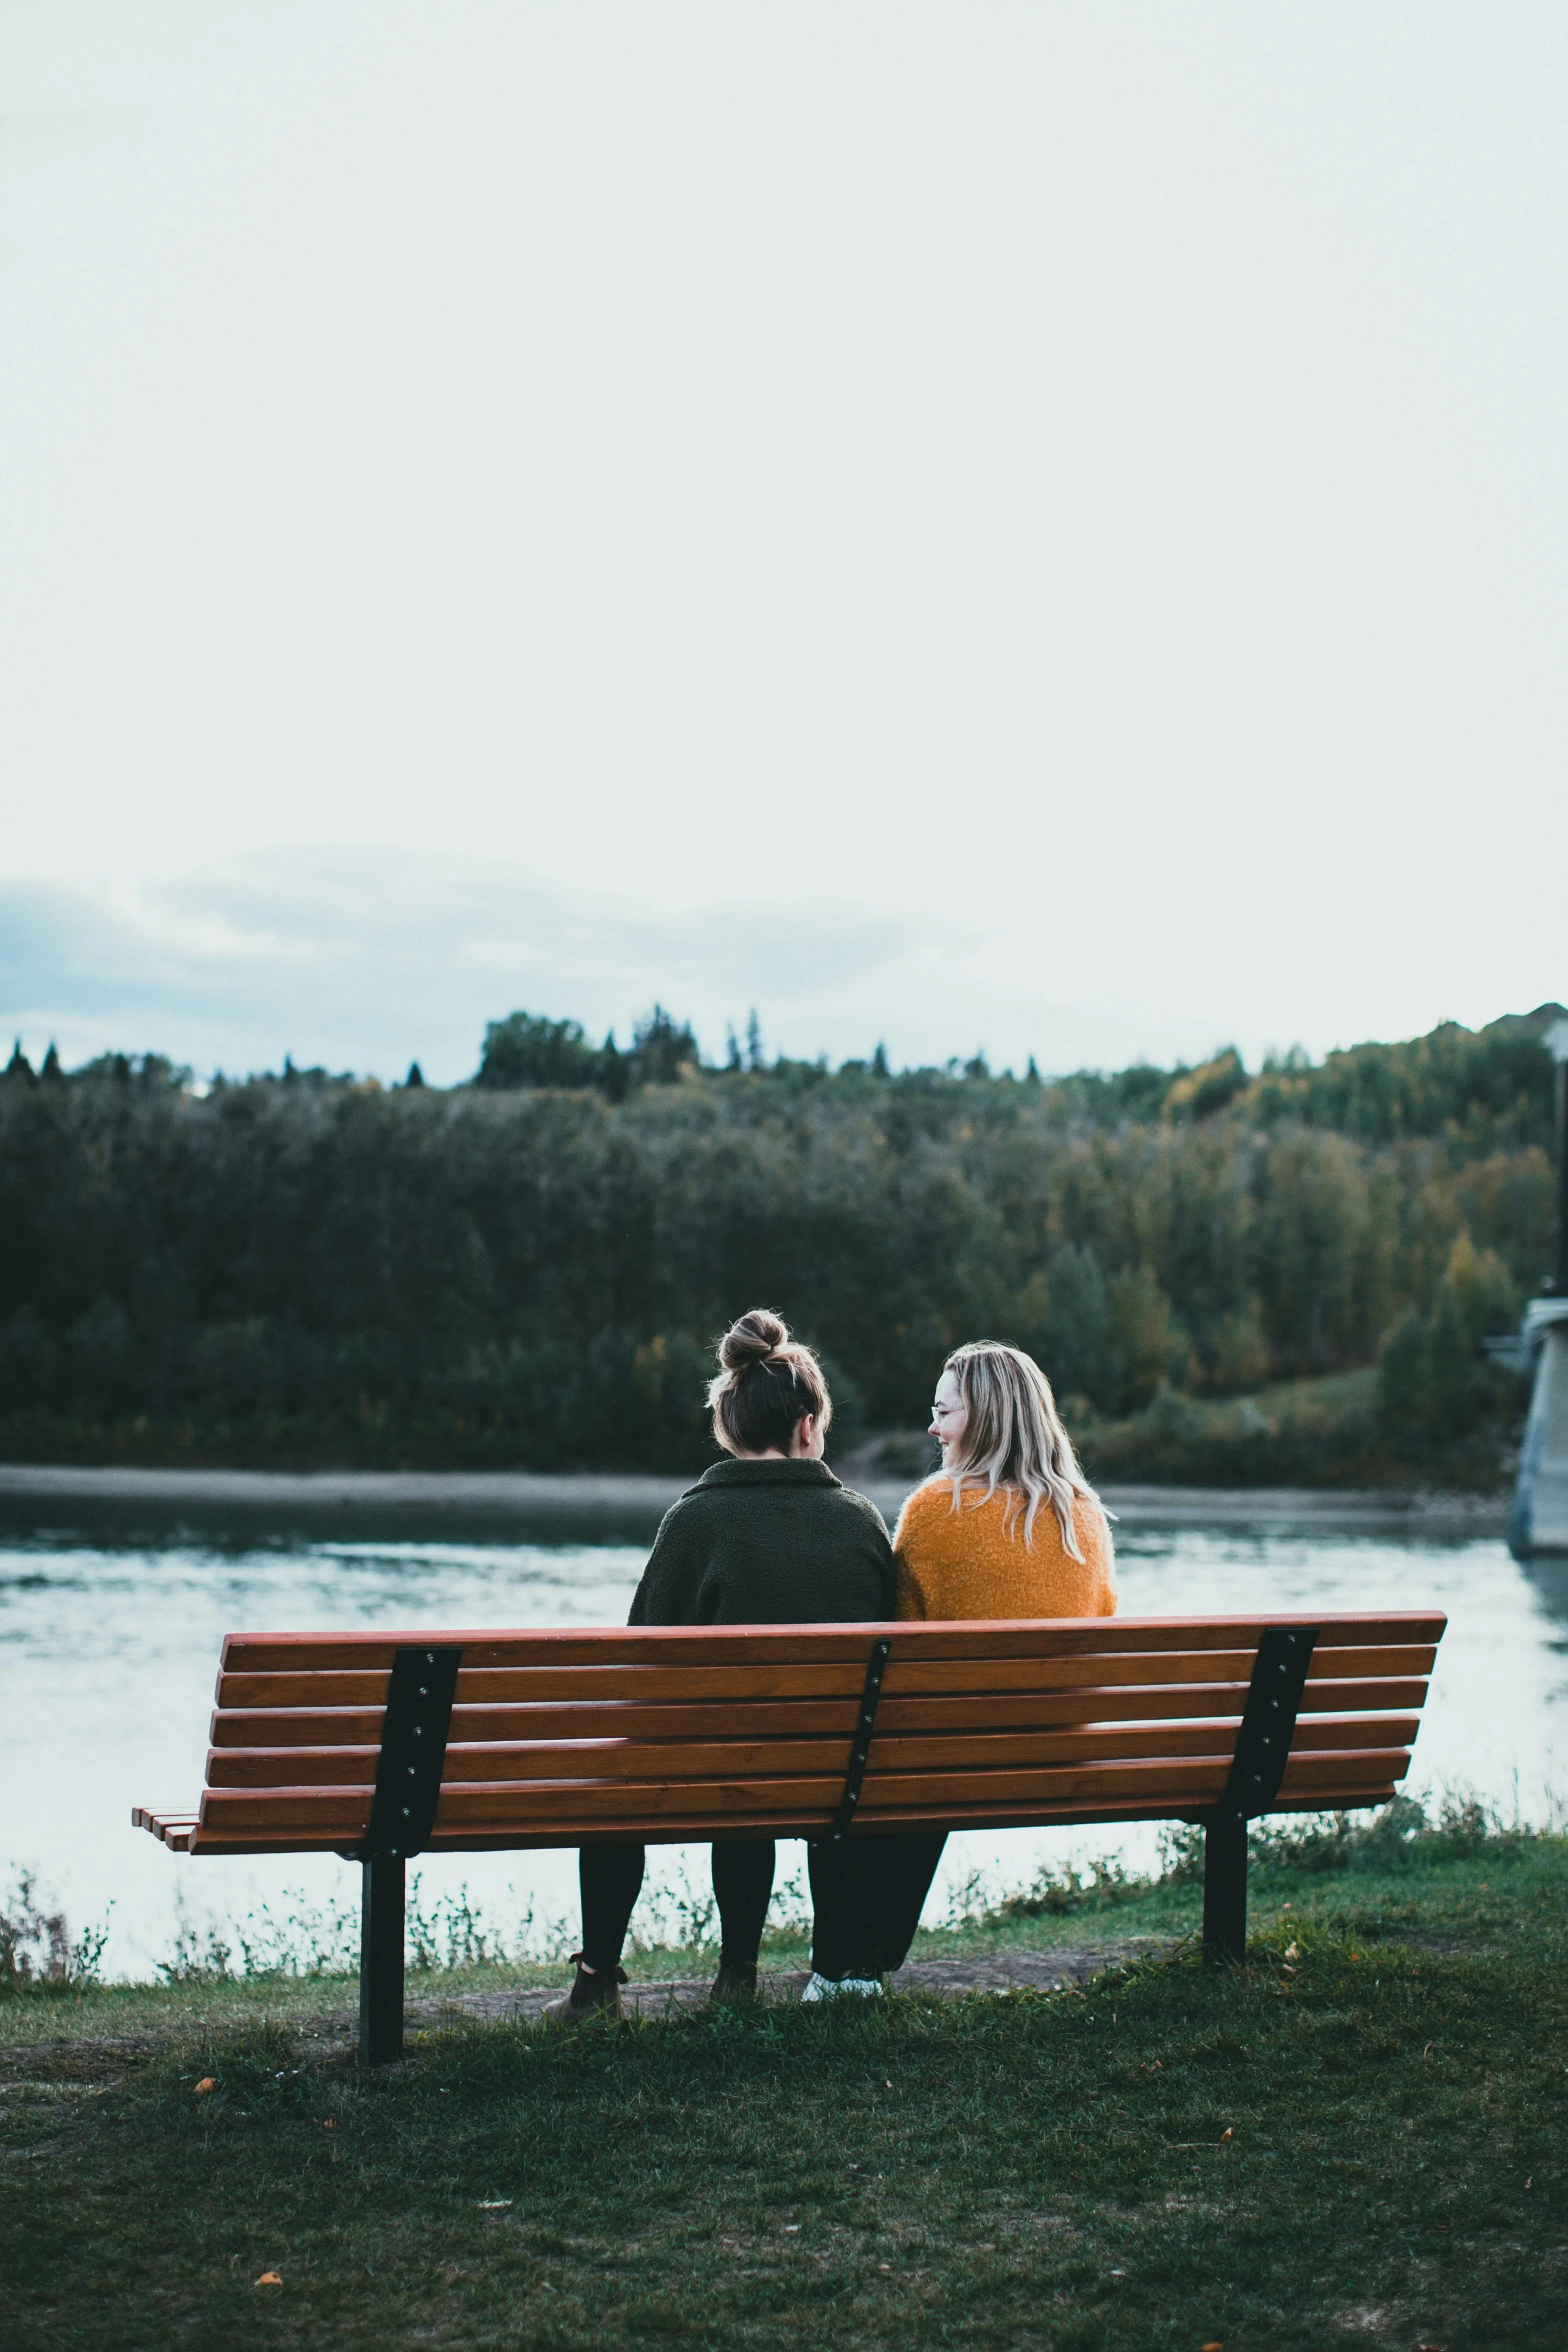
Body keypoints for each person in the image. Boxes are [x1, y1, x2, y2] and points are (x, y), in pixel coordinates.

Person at [545, 1308, 898, 2021]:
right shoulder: (861, 1520)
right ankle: (736, 1970)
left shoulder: (696, 1519)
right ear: (808, 1426)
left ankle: (596, 1981)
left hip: (721, 1769)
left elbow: (640, 1660)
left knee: (639, 1777)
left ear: (731, 1427)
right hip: (837, 1771)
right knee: (758, 1773)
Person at [877, 1340, 1118, 1964]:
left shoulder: (935, 1509)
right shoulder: (1084, 1516)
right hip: (1062, 1747)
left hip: (957, 1756)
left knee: (869, 1763)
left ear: (983, 1419)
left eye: (944, 1412)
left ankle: (853, 1966)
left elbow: (899, 1650)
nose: (932, 1426)